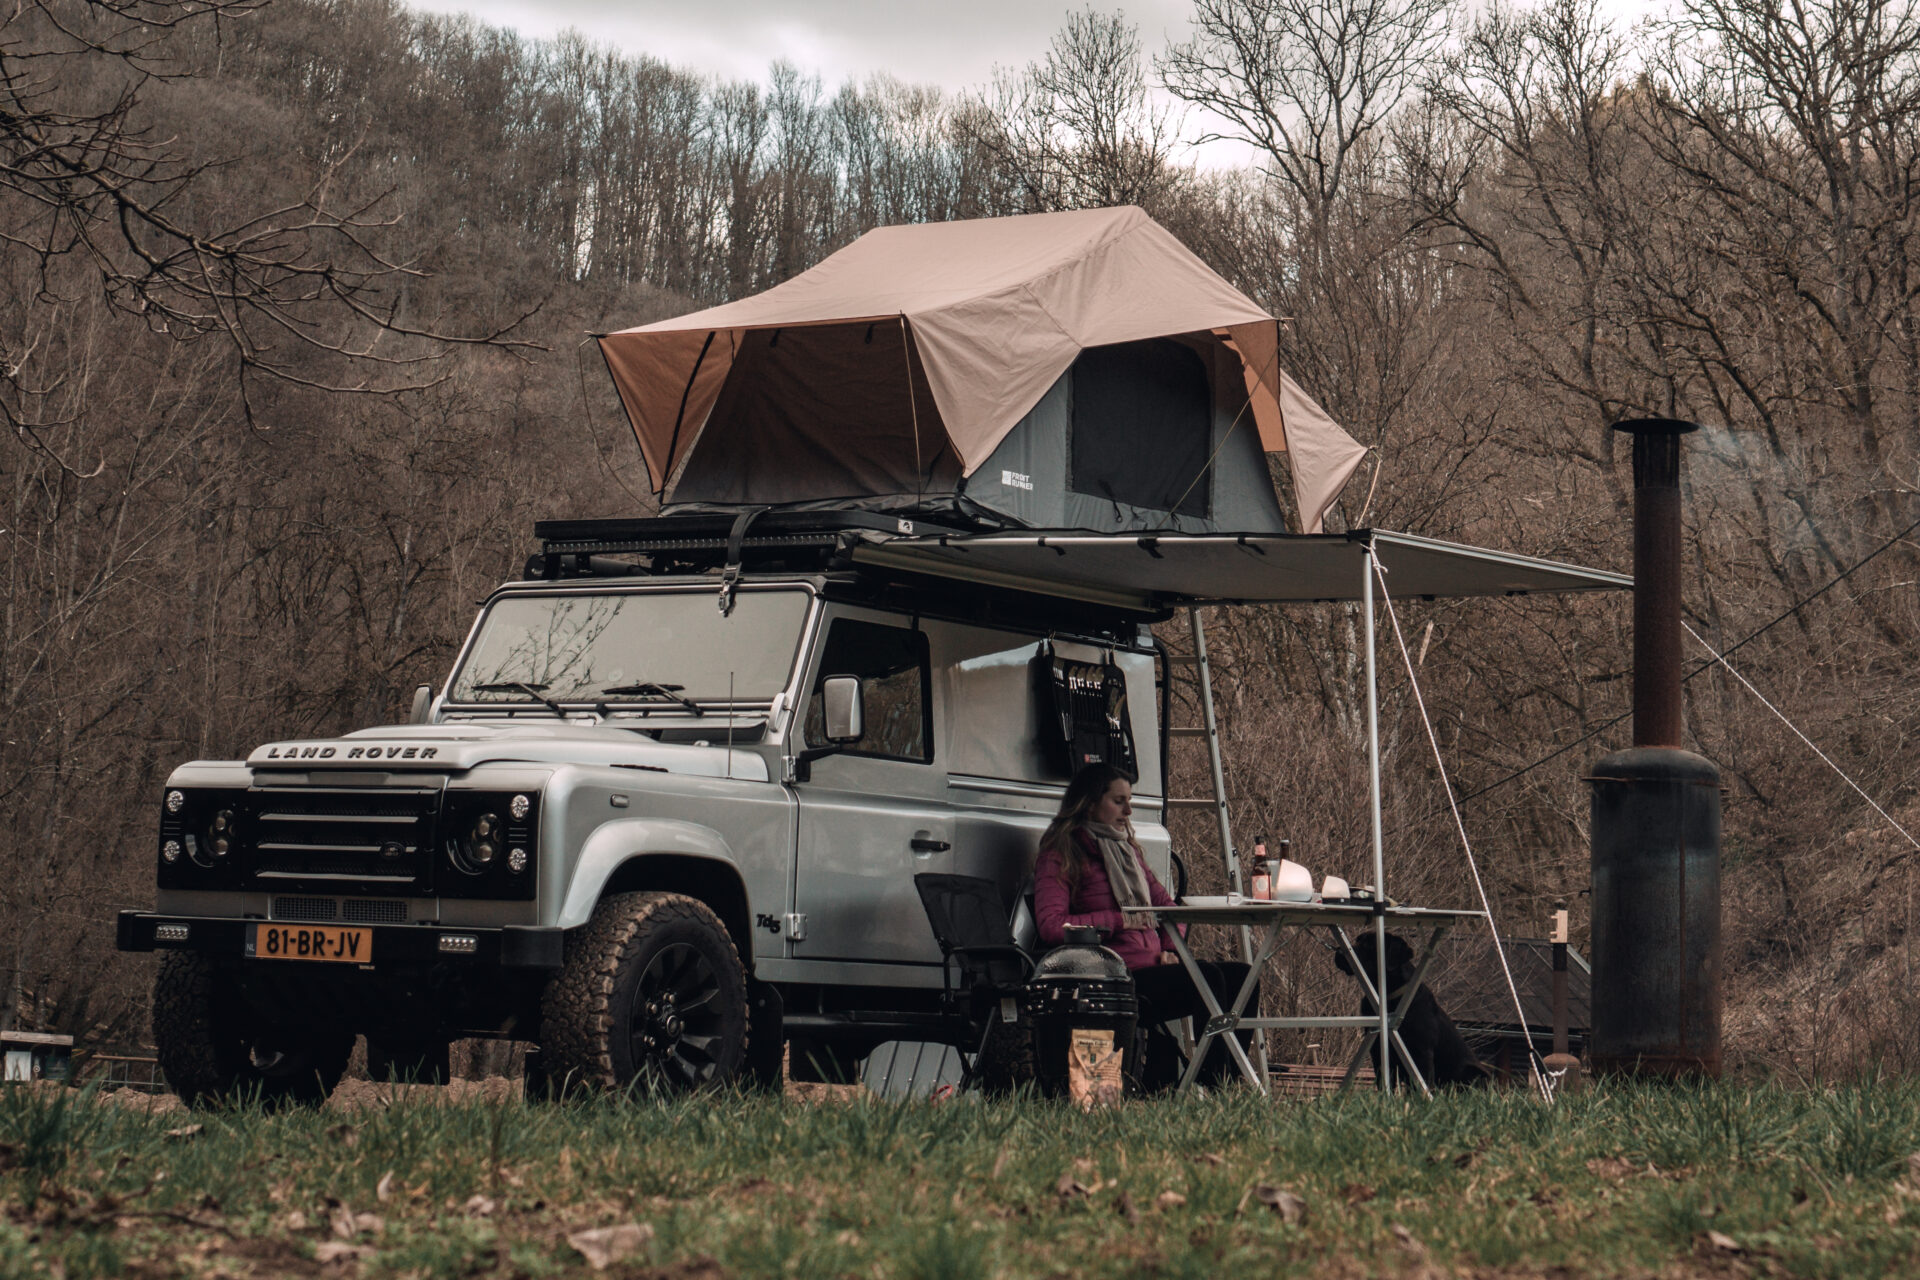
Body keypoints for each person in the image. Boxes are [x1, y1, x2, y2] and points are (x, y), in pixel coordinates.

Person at [1033, 762, 1256, 1089]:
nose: (1128, 810)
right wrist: (1117, 921)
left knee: (1242, 975)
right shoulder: (1062, 851)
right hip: (1114, 978)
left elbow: (1167, 908)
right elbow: (1052, 926)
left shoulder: (1127, 851)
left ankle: (1223, 1082)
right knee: (1208, 978)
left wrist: (1170, 950)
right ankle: (1209, 1085)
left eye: (1130, 800)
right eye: (1118, 800)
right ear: (1090, 801)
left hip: (1153, 966)